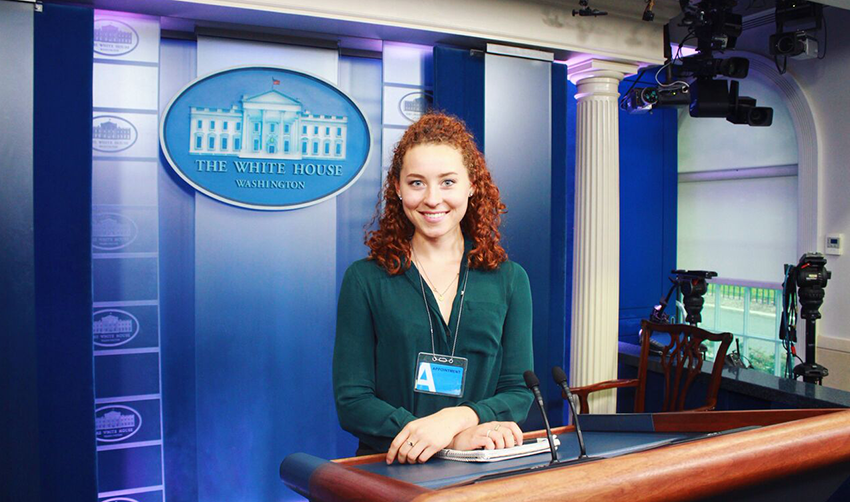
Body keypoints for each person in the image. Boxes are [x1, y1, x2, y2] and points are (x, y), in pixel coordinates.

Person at [333, 113, 533, 465]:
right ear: (396, 187)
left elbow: (518, 392)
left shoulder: (510, 279)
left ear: (472, 184)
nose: (432, 198)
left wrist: (456, 420)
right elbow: (353, 401)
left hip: (478, 475)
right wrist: (448, 439)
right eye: (416, 183)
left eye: (447, 182)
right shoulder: (364, 280)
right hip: (390, 471)